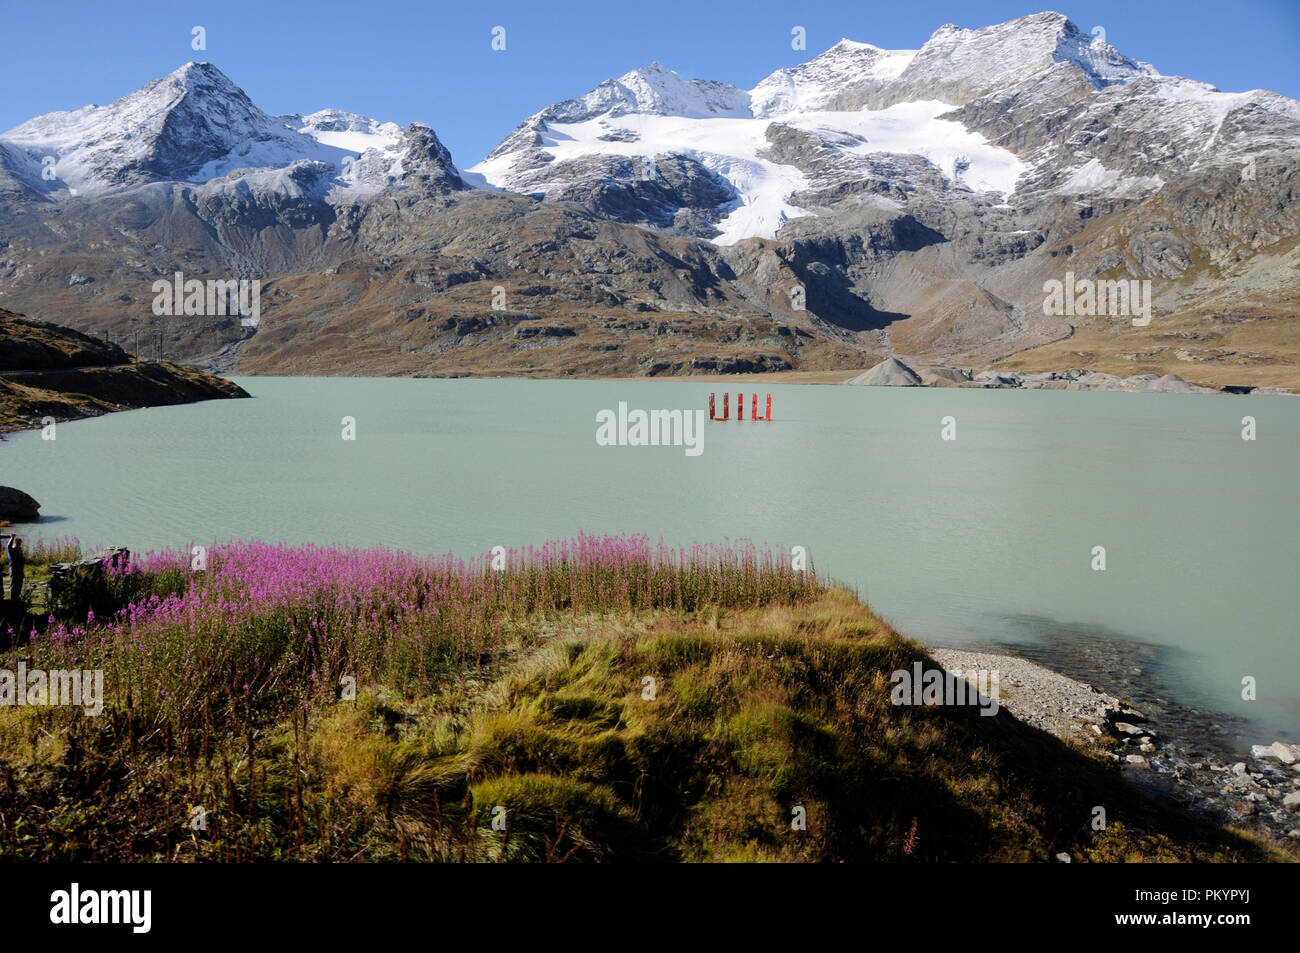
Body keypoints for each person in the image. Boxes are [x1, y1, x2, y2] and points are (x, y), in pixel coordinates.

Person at [6, 536, 24, 602]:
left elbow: (20, 559)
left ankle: (17, 597)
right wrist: (12, 538)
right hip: (14, 569)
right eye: (18, 543)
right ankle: (13, 599)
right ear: (14, 543)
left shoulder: (20, 550)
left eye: (20, 543)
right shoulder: (12, 550)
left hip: (20, 570)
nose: (19, 544)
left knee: (19, 584)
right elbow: (8, 547)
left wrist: (24, 560)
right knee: (14, 585)